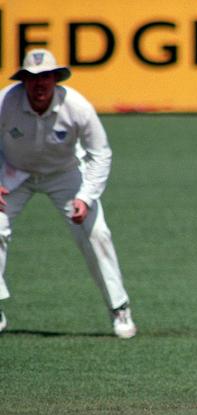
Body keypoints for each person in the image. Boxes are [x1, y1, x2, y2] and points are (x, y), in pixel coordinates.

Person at [0, 49, 136, 338]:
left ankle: (119, 307)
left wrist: (85, 197)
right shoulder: (5, 102)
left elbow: (101, 154)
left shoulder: (77, 106)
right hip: (13, 171)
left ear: (55, 79)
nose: (39, 85)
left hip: (64, 173)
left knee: (96, 233)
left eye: (45, 77)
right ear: (22, 80)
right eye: (32, 78)